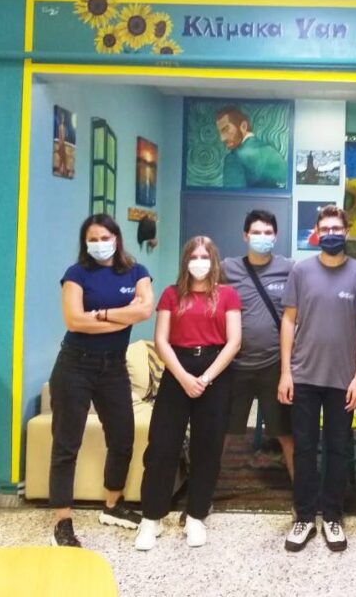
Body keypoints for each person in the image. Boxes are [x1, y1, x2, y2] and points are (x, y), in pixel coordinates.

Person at [49, 214, 154, 547]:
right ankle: (62, 522)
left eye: (105, 237)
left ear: (116, 238)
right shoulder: (76, 274)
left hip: (114, 368)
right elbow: (74, 321)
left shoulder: (136, 272)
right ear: (85, 243)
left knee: (122, 438)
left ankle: (112, 505)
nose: (99, 244)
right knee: (66, 444)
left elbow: (145, 311)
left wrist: (102, 315)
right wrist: (123, 317)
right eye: (92, 239)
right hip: (74, 365)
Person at [135, 236, 242, 551]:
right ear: (185, 261)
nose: (199, 262)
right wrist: (183, 377)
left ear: (214, 261)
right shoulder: (171, 294)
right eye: (194, 256)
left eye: (205, 256)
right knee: (162, 447)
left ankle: (196, 516)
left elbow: (234, 341)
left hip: (215, 371)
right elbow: (161, 339)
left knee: (207, 448)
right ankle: (151, 518)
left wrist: (205, 378)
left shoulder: (228, 294)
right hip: (177, 370)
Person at [278, 205, 356, 553]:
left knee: (338, 448)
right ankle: (304, 516)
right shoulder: (301, 271)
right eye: (326, 228)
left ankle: (332, 515)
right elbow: (289, 320)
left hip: (343, 379)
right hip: (303, 375)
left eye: (337, 228)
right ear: (317, 233)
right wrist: (285, 372)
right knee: (304, 448)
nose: (332, 233)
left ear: (346, 232)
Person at [223, 210, 294, 477]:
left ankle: (301, 494)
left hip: (274, 365)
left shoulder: (289, 268)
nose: (261, 237)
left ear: (275, 236)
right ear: (245, 236)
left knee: (286, 434)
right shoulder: (227, 268)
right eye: (256, 232)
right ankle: (204, 492)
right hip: (234, 365)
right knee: (222, 432)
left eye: (267, 232)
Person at [215, 106, 287, 189]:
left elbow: (233, 196)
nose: (222, 138)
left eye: (226, 130)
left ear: (243, 126)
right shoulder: (272, 151)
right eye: (220, 132)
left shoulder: (234, 158)